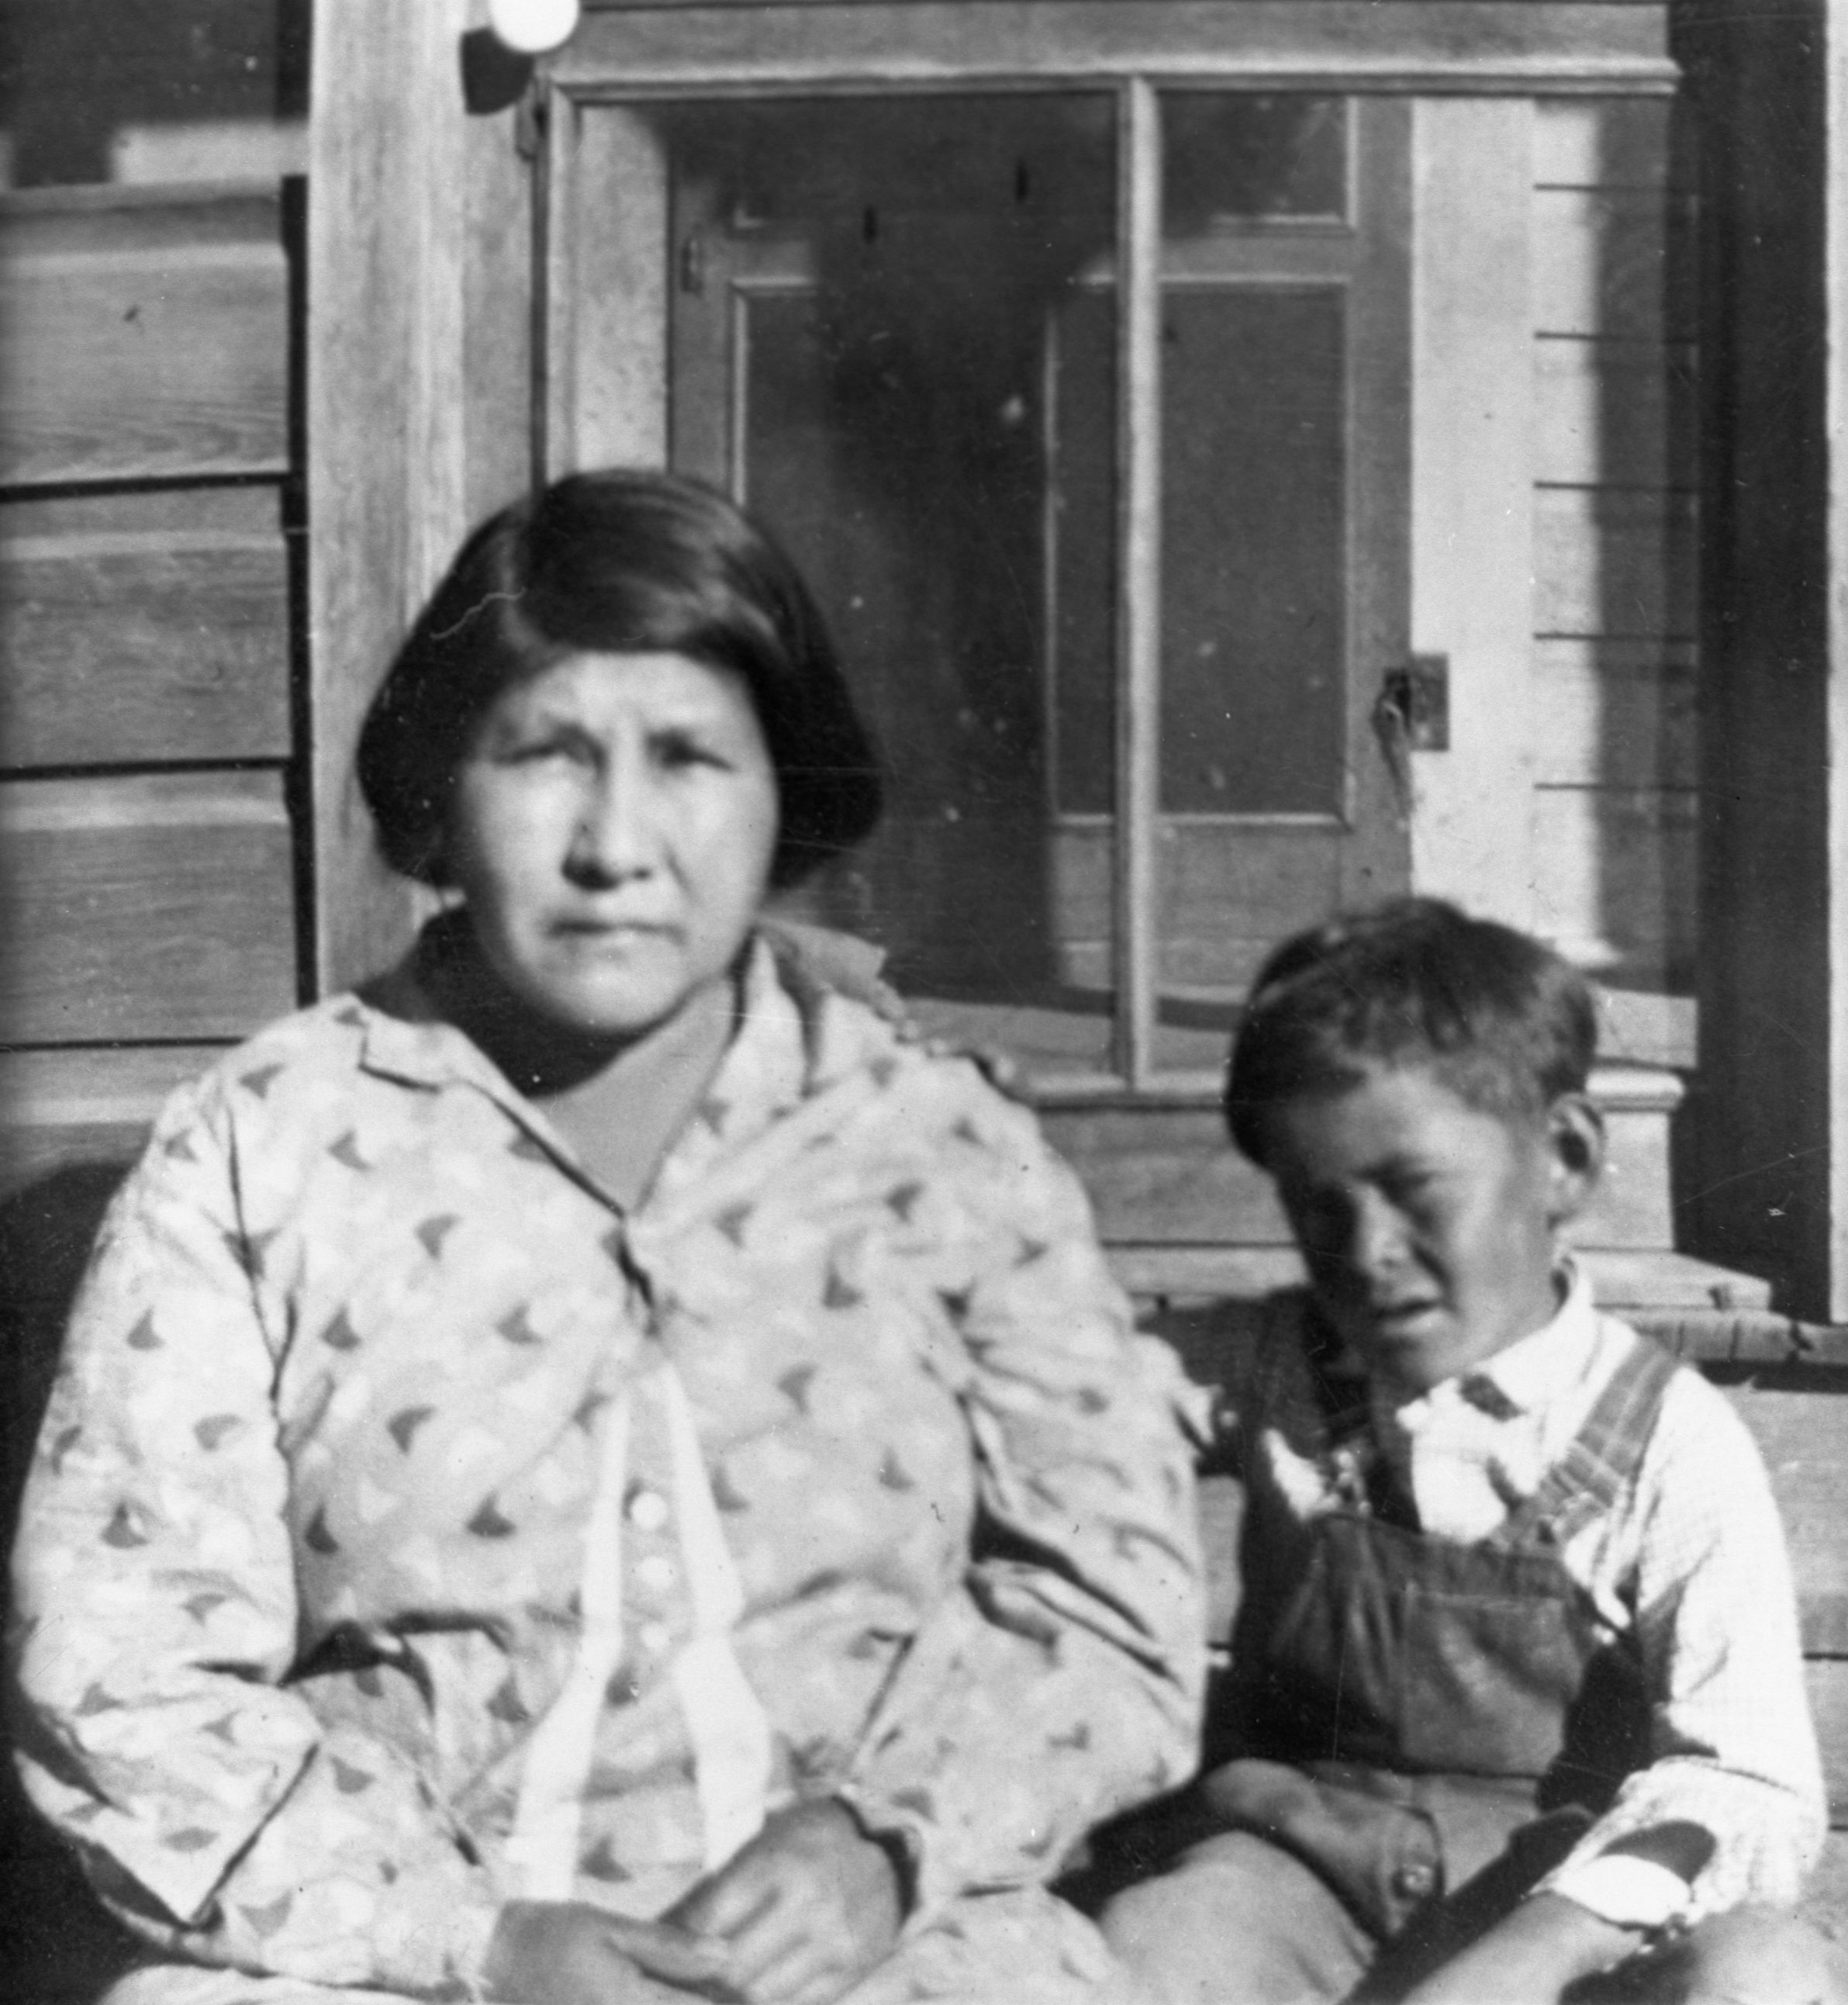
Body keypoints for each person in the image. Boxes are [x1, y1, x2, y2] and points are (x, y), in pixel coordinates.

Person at [9, 469, 1204, 2005]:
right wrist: (470, 1943)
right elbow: (123, 1671)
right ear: (446, 787)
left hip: (890, 1957)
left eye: (690, 759)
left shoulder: (938, 1149)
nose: (615, 844)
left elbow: (1115, 1610)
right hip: (385, 1967)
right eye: (547, 756)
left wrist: (891, 1839)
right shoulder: (271, 1144)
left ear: (785, 790)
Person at [1097, 899, 1843, 2005]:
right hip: (1307, 1881)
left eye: (1415, 1189)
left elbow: (1749, 1777)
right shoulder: (1271, 1365)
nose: (1367, 1253)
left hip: (1576, 1921)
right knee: (1146, 1946)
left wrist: (1536, 1950)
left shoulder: (1669, 1440)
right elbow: (1051, 1386)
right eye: (1319, 1207)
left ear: (1568, 1159)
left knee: (1760, 1975)